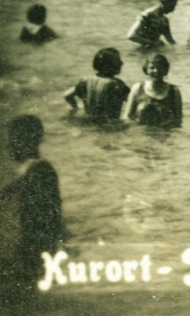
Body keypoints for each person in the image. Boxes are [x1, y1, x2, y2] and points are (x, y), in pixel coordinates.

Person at [0, 115, 65, 305]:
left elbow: (50, 211)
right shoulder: (33, 168)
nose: (7, 146)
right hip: (32, 244)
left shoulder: (37, 169)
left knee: (23, 296)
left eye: (12, 140)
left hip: (34, 244)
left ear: (26, 140)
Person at [64, 47, 131, 121]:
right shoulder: (117, 84)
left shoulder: (85, 81)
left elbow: (67, 95)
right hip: (110, 128)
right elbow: (133, 102)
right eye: (118, 60)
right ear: (109, 65)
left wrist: (75, 108)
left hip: (89, 124)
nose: (122, 63)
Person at [126, 54, 183, 127]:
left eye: (160, 67)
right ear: (146, 70)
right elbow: (127, 117)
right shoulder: (138, 88)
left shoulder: (174, 91)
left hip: (165, 135)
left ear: (165, 70)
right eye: (152, 68)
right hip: (141, 135)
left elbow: (178, 120)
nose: (156, 71)